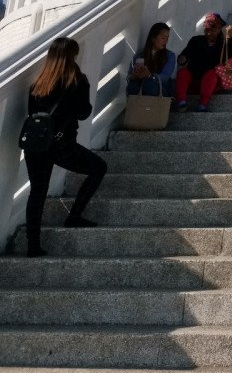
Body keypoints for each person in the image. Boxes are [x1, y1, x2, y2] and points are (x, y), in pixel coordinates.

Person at [23, 37, 107, 256]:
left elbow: (32, 114)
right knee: (99, 168)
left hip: (35, 144)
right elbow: (84, 112)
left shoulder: (38, 84)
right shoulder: (76, 80)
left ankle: (33, 246)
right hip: (61, 144)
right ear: (72, 56)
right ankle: (74, 215)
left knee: (37, 191)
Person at [175, 13, 232, 112]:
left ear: (219, 29)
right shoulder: (196, 41)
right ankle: (181, 102)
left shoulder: (224, 44)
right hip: (194, 81)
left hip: (211, 84)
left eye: (213, 29)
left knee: (212, 73)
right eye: (207, 29)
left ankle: (203, 104)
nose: (209, 32)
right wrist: (182, 59)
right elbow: (183, 57)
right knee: (182, 72)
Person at [126, 22, 177, 97]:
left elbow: (165, 76)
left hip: (161, 90)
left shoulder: (170, 56)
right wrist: (133, 76)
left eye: (167, 38)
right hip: (142, 88)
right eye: (163, 38)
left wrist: (150, 76)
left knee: (150, 84)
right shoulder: (139, 56)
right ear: (153, 38)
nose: (165, 41)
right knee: (132, 86)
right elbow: (129, 76)